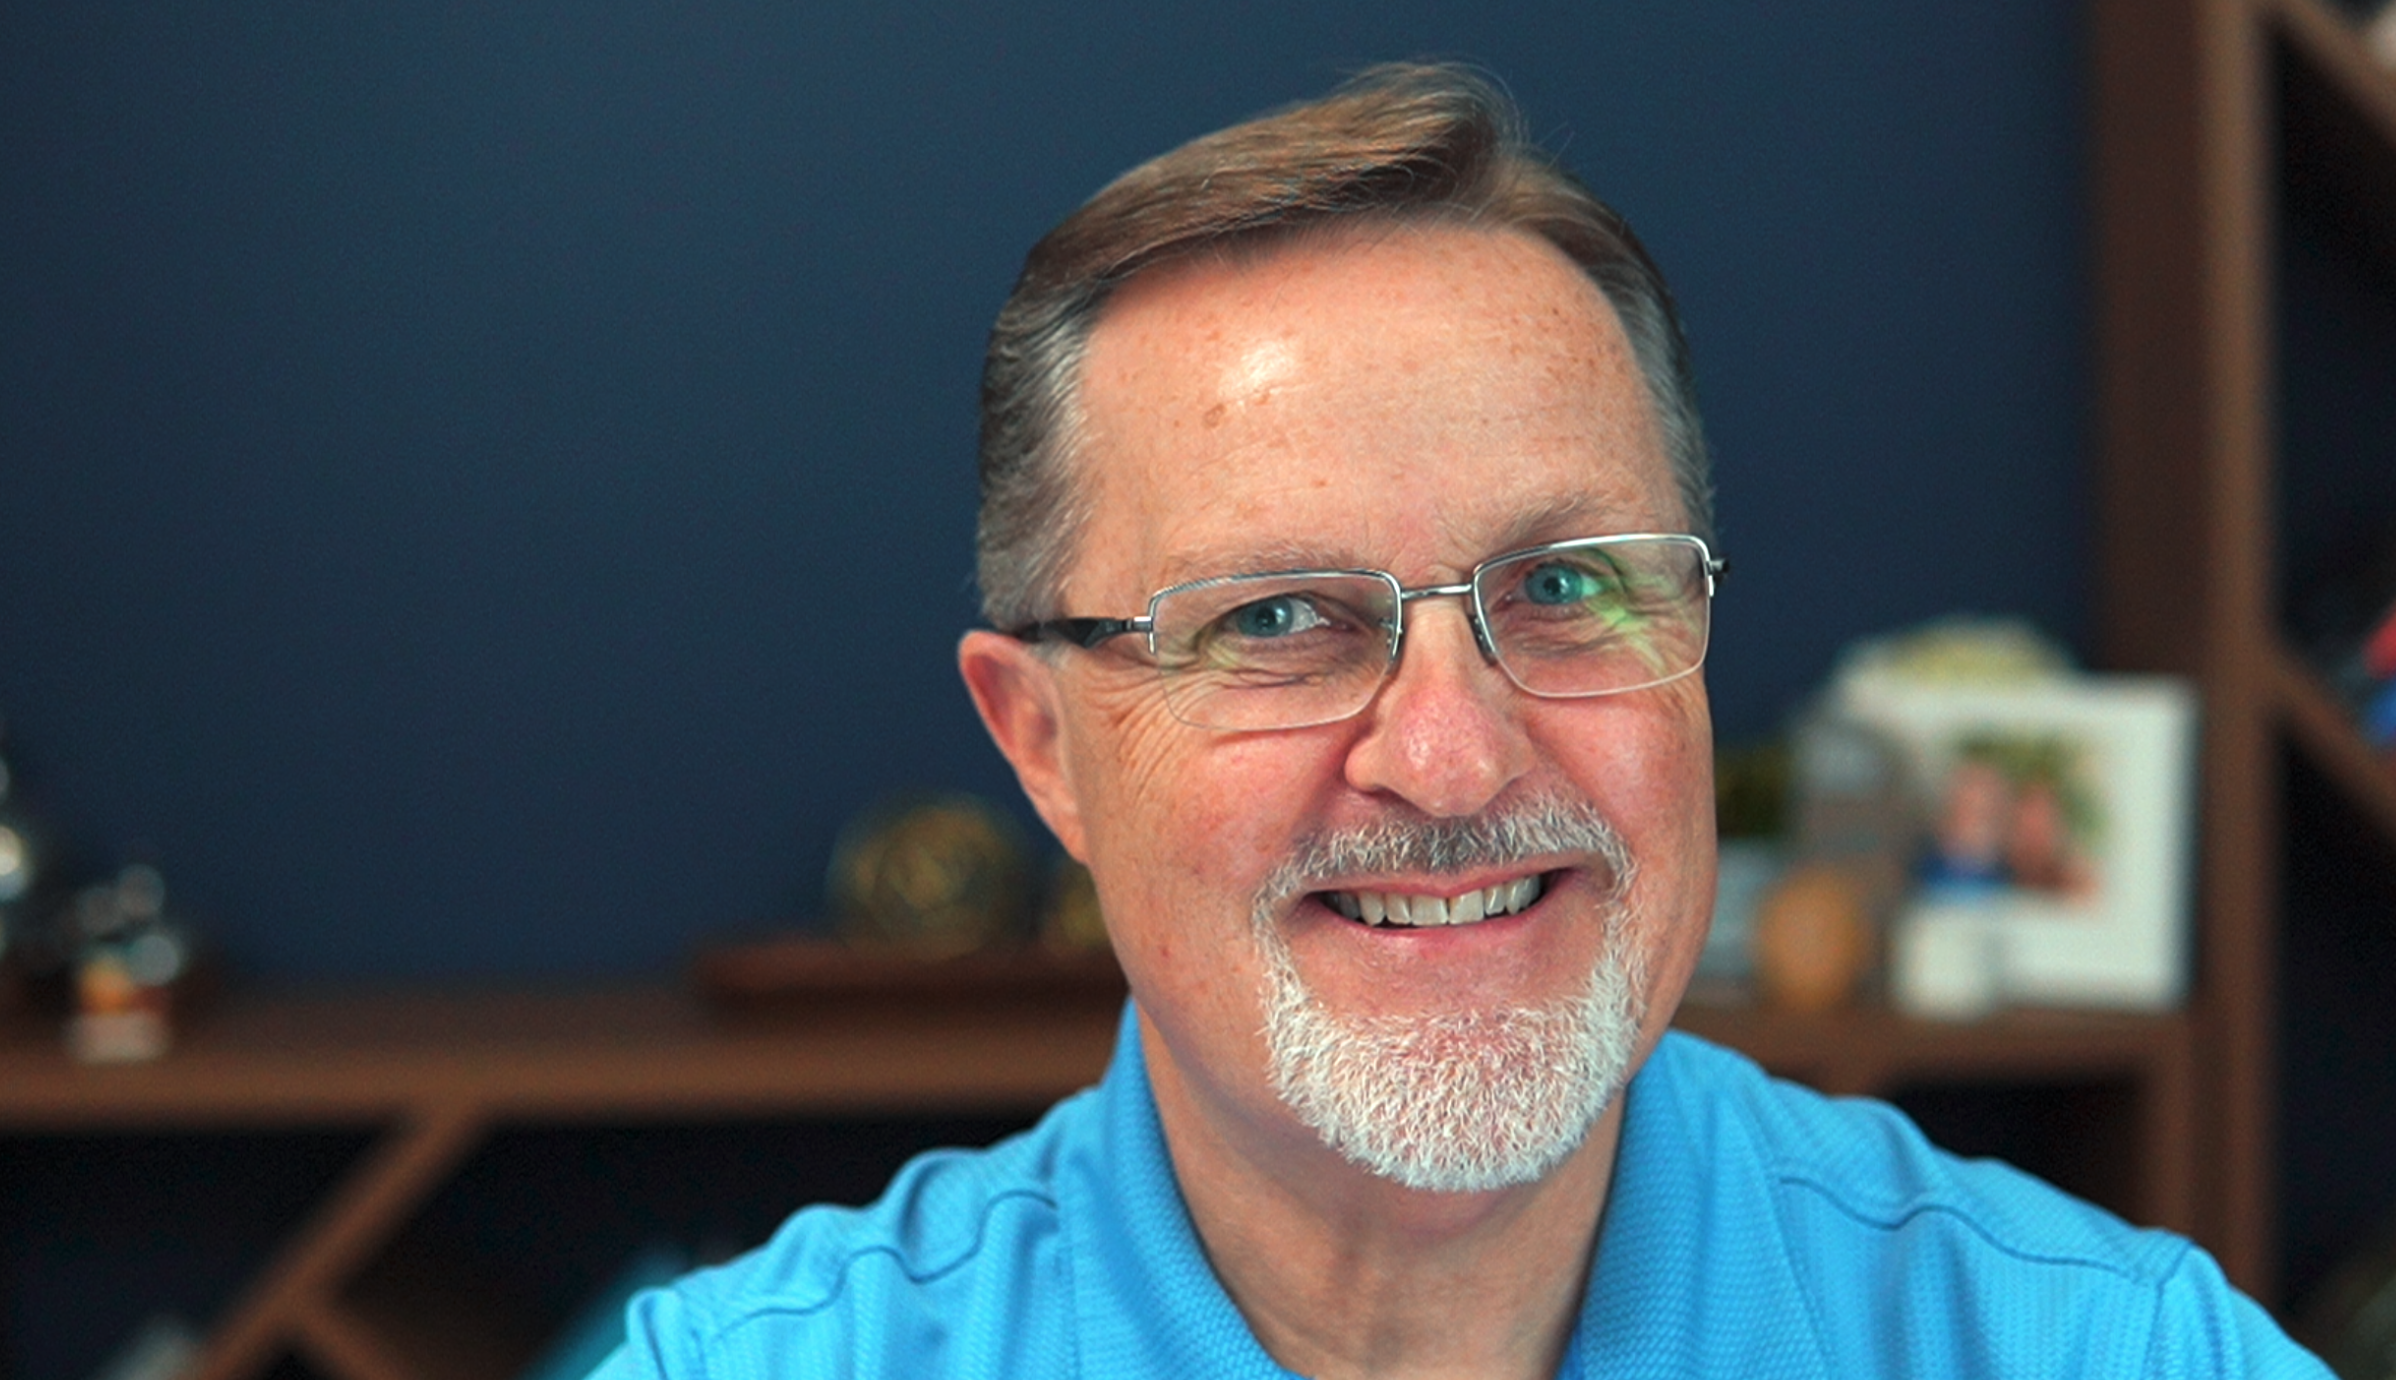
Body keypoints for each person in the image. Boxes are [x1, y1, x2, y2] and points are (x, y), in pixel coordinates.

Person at [594, 64, 2327, 1378]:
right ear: (1043, 747)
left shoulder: (2103, 1349)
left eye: (1567, 589)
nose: (1447, 755)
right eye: (1276, 619)